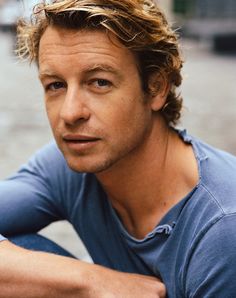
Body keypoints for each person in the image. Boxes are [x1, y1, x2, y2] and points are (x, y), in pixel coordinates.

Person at [1, 0, 236, 297]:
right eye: (56, 85)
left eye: (100, 82)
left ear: (156, 88)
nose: (70, 113)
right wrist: (88, 280)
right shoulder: (69, 165)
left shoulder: (223, 230)